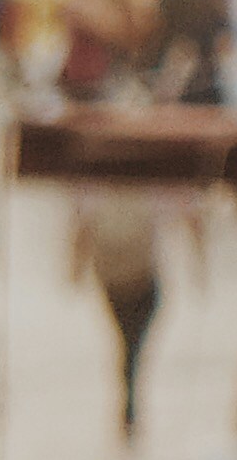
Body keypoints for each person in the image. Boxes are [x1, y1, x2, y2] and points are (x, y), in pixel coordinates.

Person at [73, 184, 170, 439]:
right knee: (133, 345)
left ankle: (129, 396)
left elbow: (83, 227)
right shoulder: (151, 187)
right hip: (143, 279)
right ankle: (130, 398)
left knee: (126, 343)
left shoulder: (96, 190)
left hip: (113, 281)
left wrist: (74, 268)